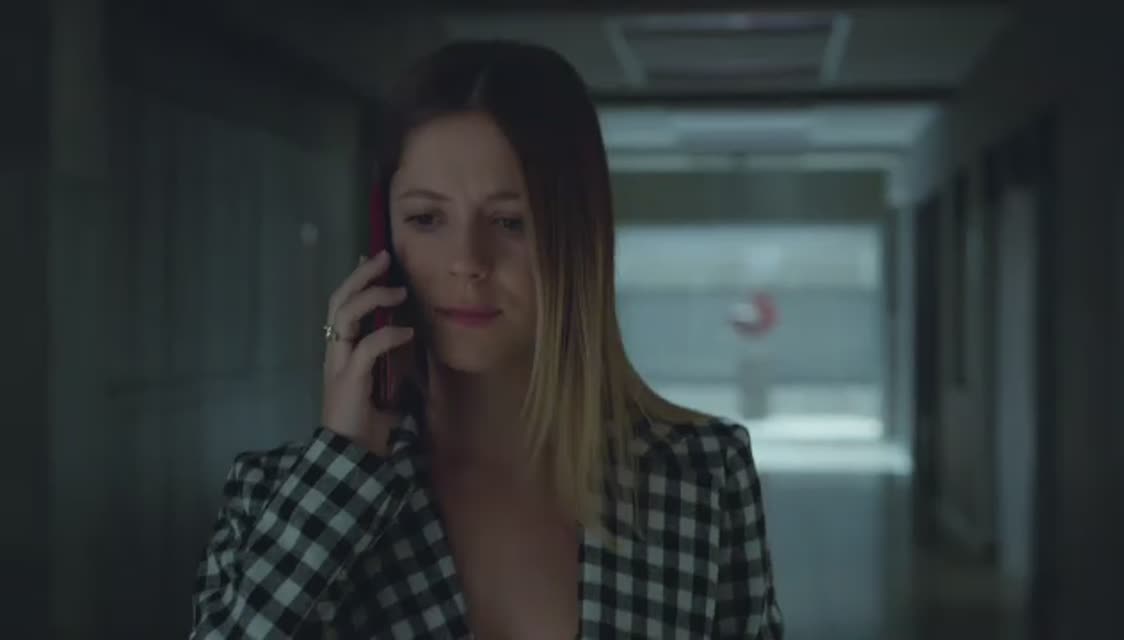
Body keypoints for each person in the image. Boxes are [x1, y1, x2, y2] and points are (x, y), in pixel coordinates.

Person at [189, 40, 784, 639]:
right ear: (384, 236)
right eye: (427, 219)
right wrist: (343, 461)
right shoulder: (280, 497)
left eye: (508, 222)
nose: (468, 262)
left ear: (576, 239)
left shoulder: (702, 475)